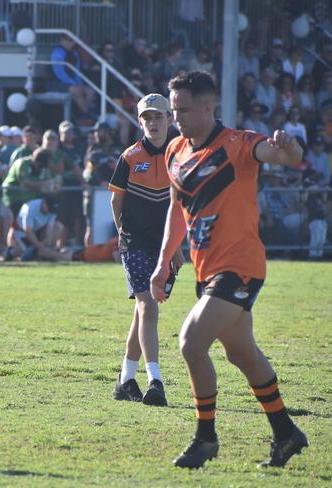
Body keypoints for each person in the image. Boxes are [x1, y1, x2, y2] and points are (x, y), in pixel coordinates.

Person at [150, 71, 308, 469]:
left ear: (208, 106)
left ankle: (205, 438)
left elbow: (285, 157)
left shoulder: (238, 144)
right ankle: (286, 433)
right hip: (208, 270)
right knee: (241, 353)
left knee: (190, 342)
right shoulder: (174, 151)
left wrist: (290, 148)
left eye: (183, 109)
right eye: (173, 110)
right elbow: (175, 209)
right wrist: (164, 259)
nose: (177, 118)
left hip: (240, 267)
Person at [109, 93, 183, 406]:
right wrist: (123, 235)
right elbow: (116, 199)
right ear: (140, 122)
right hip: (135, 242)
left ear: (170, 118)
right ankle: (155, 380)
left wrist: (178, 246)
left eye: (159, 116)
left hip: (165, 245)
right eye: (147, 118)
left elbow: (184, 203)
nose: (153, 122)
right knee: (148, 306)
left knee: (143, 313)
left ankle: (125, 381)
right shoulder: (129, 156)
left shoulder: (181, 154)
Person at [49, 33, 95, 115]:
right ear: (62, 40)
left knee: (90, 91)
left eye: (72, 40)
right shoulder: (58, 52)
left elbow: (77, 72)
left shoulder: (74, 54)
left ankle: (85, 114)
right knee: (76, 90)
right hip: (56, 83)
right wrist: (73, 83)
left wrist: (79, 83)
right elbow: (59, 73)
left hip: (71, 84)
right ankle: (87, 114)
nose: (69, 43)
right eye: (67, 40)